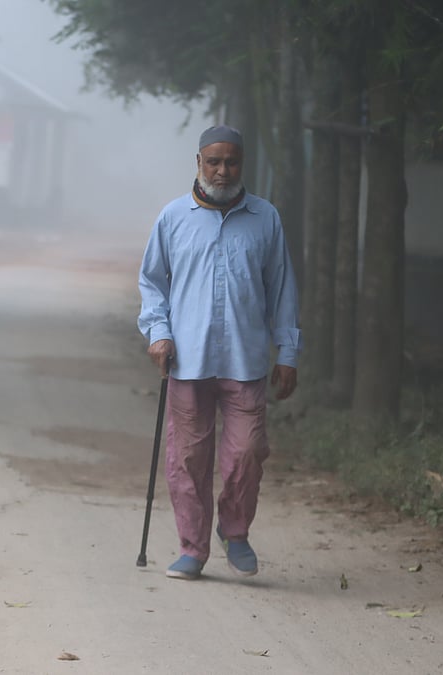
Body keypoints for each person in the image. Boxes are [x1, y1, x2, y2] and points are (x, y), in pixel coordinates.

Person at [137, 124, 302, 580]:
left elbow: (282, 288)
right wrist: (158, 333)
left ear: (241, 164)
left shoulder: (265, 218)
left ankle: (235, 530)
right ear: (198, 163)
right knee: (188, 458)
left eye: (231, 162)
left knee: (247, 452)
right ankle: (192, 547)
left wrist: (287, 351)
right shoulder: (173, 217)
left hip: (245, 361)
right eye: (214, 161)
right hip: (187, 362)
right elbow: (152, 283)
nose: (223, 170)